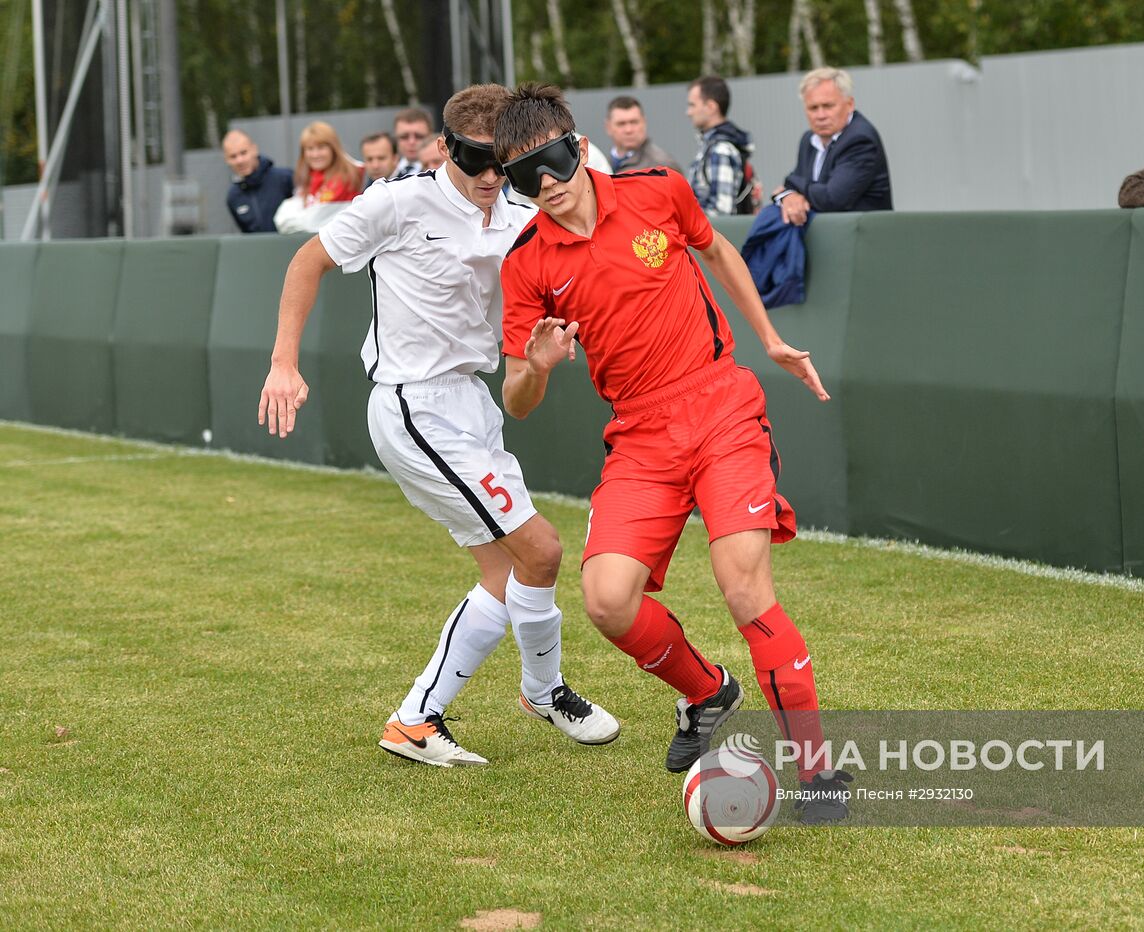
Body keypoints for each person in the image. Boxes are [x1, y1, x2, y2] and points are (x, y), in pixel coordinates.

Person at [495, 83, 851, 823]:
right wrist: (536, 366)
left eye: (555, 163)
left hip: (720, 406)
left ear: (581, 147)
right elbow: (516, 402)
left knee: (745, 587)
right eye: (525, 178)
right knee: (606, 600)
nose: (548, 186)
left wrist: (772, 341)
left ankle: (816, 773)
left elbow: (716, 248)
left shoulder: (658, 190)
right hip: (640, 435)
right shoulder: (526, 263)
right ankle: (707, 692)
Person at [257, 84, 618, 769]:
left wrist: (584, 163)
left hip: (471, 404)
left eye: (502, 164)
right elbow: (308, 261)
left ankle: (417, 722)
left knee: (506, 573)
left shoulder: (517, 212)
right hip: (412, 405)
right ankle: (538, 693)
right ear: (446, 148)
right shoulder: (398, 202)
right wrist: (283, 364)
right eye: (478, 161)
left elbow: (591, 223)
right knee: (539, 550)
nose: (491, 177)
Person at [772, 67, 892, 226]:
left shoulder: (860, 139)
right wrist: (789, 196)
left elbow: (832, 199)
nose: (820, 115)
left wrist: (792, 183)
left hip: (865, 240)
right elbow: (800, 194)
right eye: (813, 108)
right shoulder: (809, 140)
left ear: (849, 104)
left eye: (828, 106)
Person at [685, 75, 757, 216]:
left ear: (711, 107)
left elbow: (721, 214)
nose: (688, 112)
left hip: (713, 237)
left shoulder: (720, 150)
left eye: (692, 105)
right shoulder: (713, 146)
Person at [223, 130, 294, 233]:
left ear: (254, 149)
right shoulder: (233, 196)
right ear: (226, 160)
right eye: (233, 156)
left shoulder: (285, 178)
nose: (240, 160)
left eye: (243, 153)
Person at [291, 120, 362, 206]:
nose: (315, 154)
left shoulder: (349, 176)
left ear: (333, 148)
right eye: (310, 148)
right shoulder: (305, 178)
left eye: (321, 147)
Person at [603, 95, 681, 173]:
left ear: (644, 123)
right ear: (608, 127)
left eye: (634, 122)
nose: (628, 130)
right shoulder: (600, 164)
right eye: (621, 124)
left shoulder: (662, 165)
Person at [391, 107, 435, 179]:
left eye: (419, 136)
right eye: (404, 137)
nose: (411, 142)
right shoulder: (384, 172)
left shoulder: (442, 171)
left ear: (431, 136)